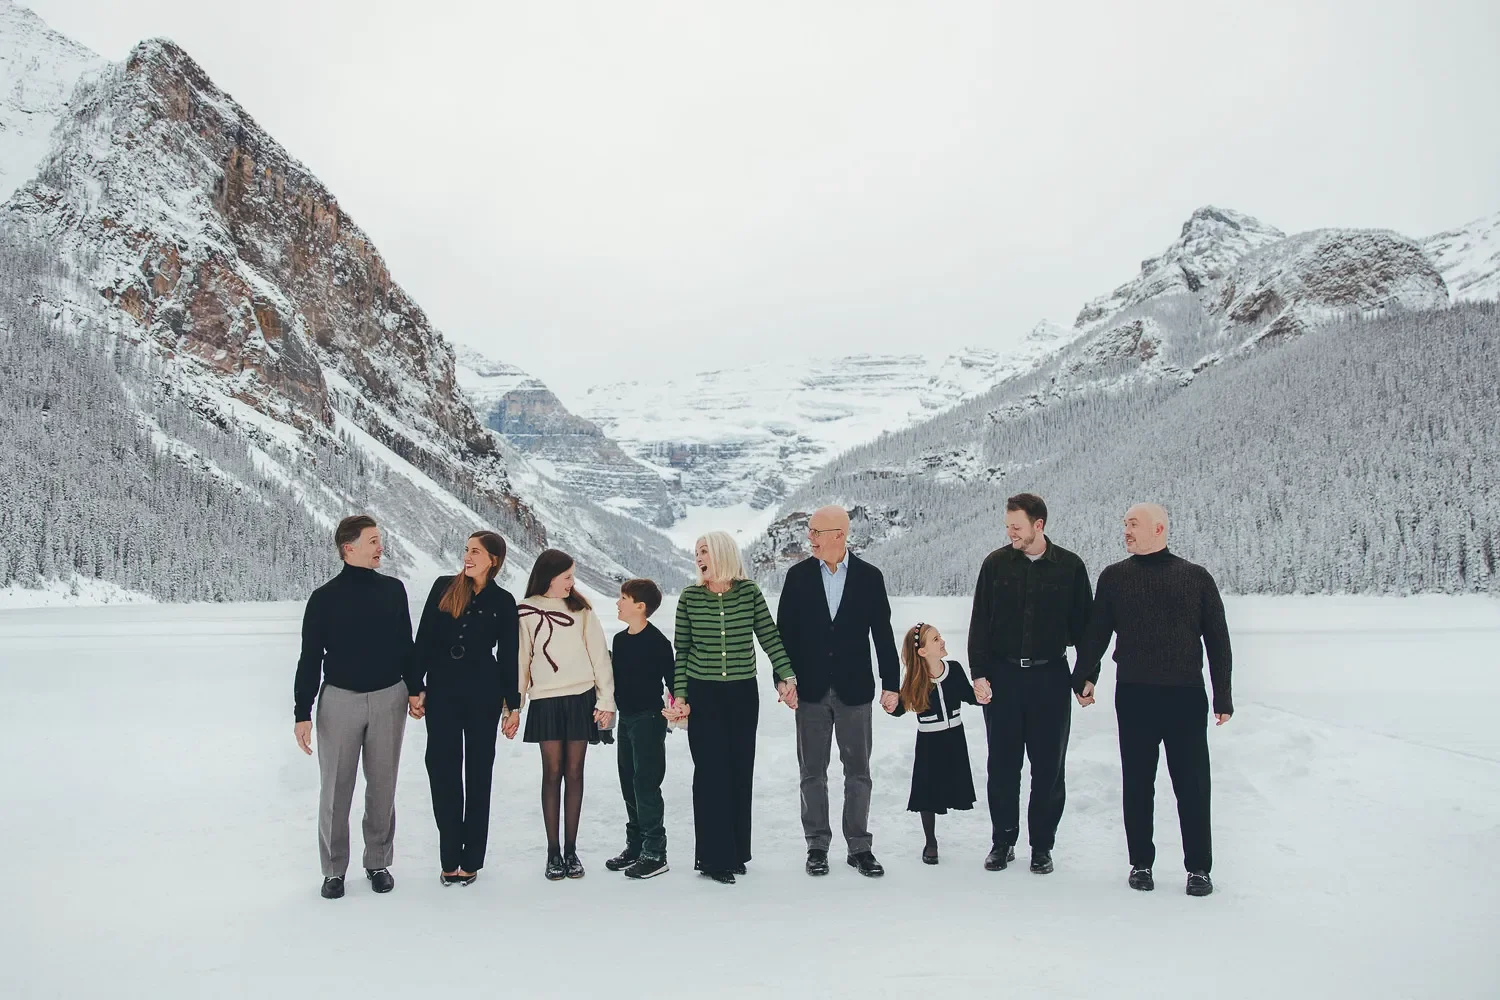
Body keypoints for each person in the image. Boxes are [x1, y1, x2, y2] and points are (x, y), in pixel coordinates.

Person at [1072, 503, 1233, 897]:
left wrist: (1222, 695)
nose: (1126, 530)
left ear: (1159, 529)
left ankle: (1198, 869)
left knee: (1193, 786)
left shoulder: (1195, 578)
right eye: (1125, 523)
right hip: (1135, 695)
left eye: (1134, 524)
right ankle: (1140, 863)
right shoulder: (1115, 577)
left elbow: (1218, 640)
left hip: (1185, 697)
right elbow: (1097, 632)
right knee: (1138, 785)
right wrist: (1086, 675)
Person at [292, 514, 422, 899]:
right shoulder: (323, 598)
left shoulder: (393, 590)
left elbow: (406, 645)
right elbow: (309, 657)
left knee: (383, 785)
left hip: (389, 698)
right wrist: (302, 711)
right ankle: (334, 870)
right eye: (373, 541)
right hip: (339, 701)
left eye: (380, 539)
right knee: (335, 788)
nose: (380, 547)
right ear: (349, 548)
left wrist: (416, 689)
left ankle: (377, 861)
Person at [967, 492, 1093, 875]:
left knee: (1049, 767)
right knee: (1002, 765)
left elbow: (1085, 628)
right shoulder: (995, 564)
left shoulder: (1069, 567)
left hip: (1050, 677)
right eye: (1007, 527)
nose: (1011, 534)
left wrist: (1086, 676)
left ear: (1039, 525)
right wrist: (979, 673)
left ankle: (1041, 846)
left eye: (1016, 527)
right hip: (1003, 677)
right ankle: (1003, 842)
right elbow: (979, 623)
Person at [775, 505, 901, 878]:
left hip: (855, 691)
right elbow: (784, 636)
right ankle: (817, 845)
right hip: (810, 691)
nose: (809, 537)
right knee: (812, 772)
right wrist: (783, 679)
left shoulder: (869, 577)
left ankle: (859, 848)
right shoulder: (797, 578)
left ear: (839, 535)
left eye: (816, 531)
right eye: (810, 531)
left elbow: (883, 636)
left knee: (858, 772)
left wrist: (892, 685)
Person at [665, 531, 795, 885]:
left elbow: (770, 637)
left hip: (742, 694)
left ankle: (736, 852)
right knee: (710, 773)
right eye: (696, 553)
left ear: (722, 554)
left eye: (704, 551)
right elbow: (683, 652)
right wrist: (681, 699)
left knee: (739, 769)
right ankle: (712, 857)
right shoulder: (689, 598)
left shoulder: (749, 593)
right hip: (703, 693)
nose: (699, 558)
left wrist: (787, 676)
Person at [412, 530, 521, 887]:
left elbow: (508, 656)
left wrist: (513, 706)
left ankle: (471, 859)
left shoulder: (503, 601)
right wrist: (415, 687)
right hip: (442, 688)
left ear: (494, 560)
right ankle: (448, 857)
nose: (468, 556)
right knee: (441, 769)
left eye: (476, 551)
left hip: (483, 692)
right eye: (466, 550)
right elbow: (424, 639)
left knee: (478, 774)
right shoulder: (445, 586)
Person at [517, 549, 616, 881]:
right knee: (552, 772)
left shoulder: (581, 609)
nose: (572, 583)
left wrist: (606, 700)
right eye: (568, 577)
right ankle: (552, 852)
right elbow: (521, 661)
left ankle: (571, 850)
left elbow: (599, 655)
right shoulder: (526, 611)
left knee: (574, 773)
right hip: (545, 699)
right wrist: (513, 706)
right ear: (549, 577)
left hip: (580, 697)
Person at [604, 578, 675, 880]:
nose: (618, 603)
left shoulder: (658, 642)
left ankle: (655, 852)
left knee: (646, 784)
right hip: (627, 720)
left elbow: (673, 681)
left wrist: (678, 707)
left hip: (649, 720)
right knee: (627, 782)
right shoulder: (620, 641)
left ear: (640, 606)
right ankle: (635, 846)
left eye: (623, 598)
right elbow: (613, 679)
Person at [892, 623, 978, 865]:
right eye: (936, 639)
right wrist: (890, 704)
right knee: (927, 790)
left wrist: (983, 695)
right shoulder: (915, 679)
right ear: (922, 651)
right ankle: (930, 841)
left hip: (955, 738)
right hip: (929, 740)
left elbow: (970, 696)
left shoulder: (955, 670)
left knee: (953, 783)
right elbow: (900, 707)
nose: (942, 641)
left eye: (940, 637)